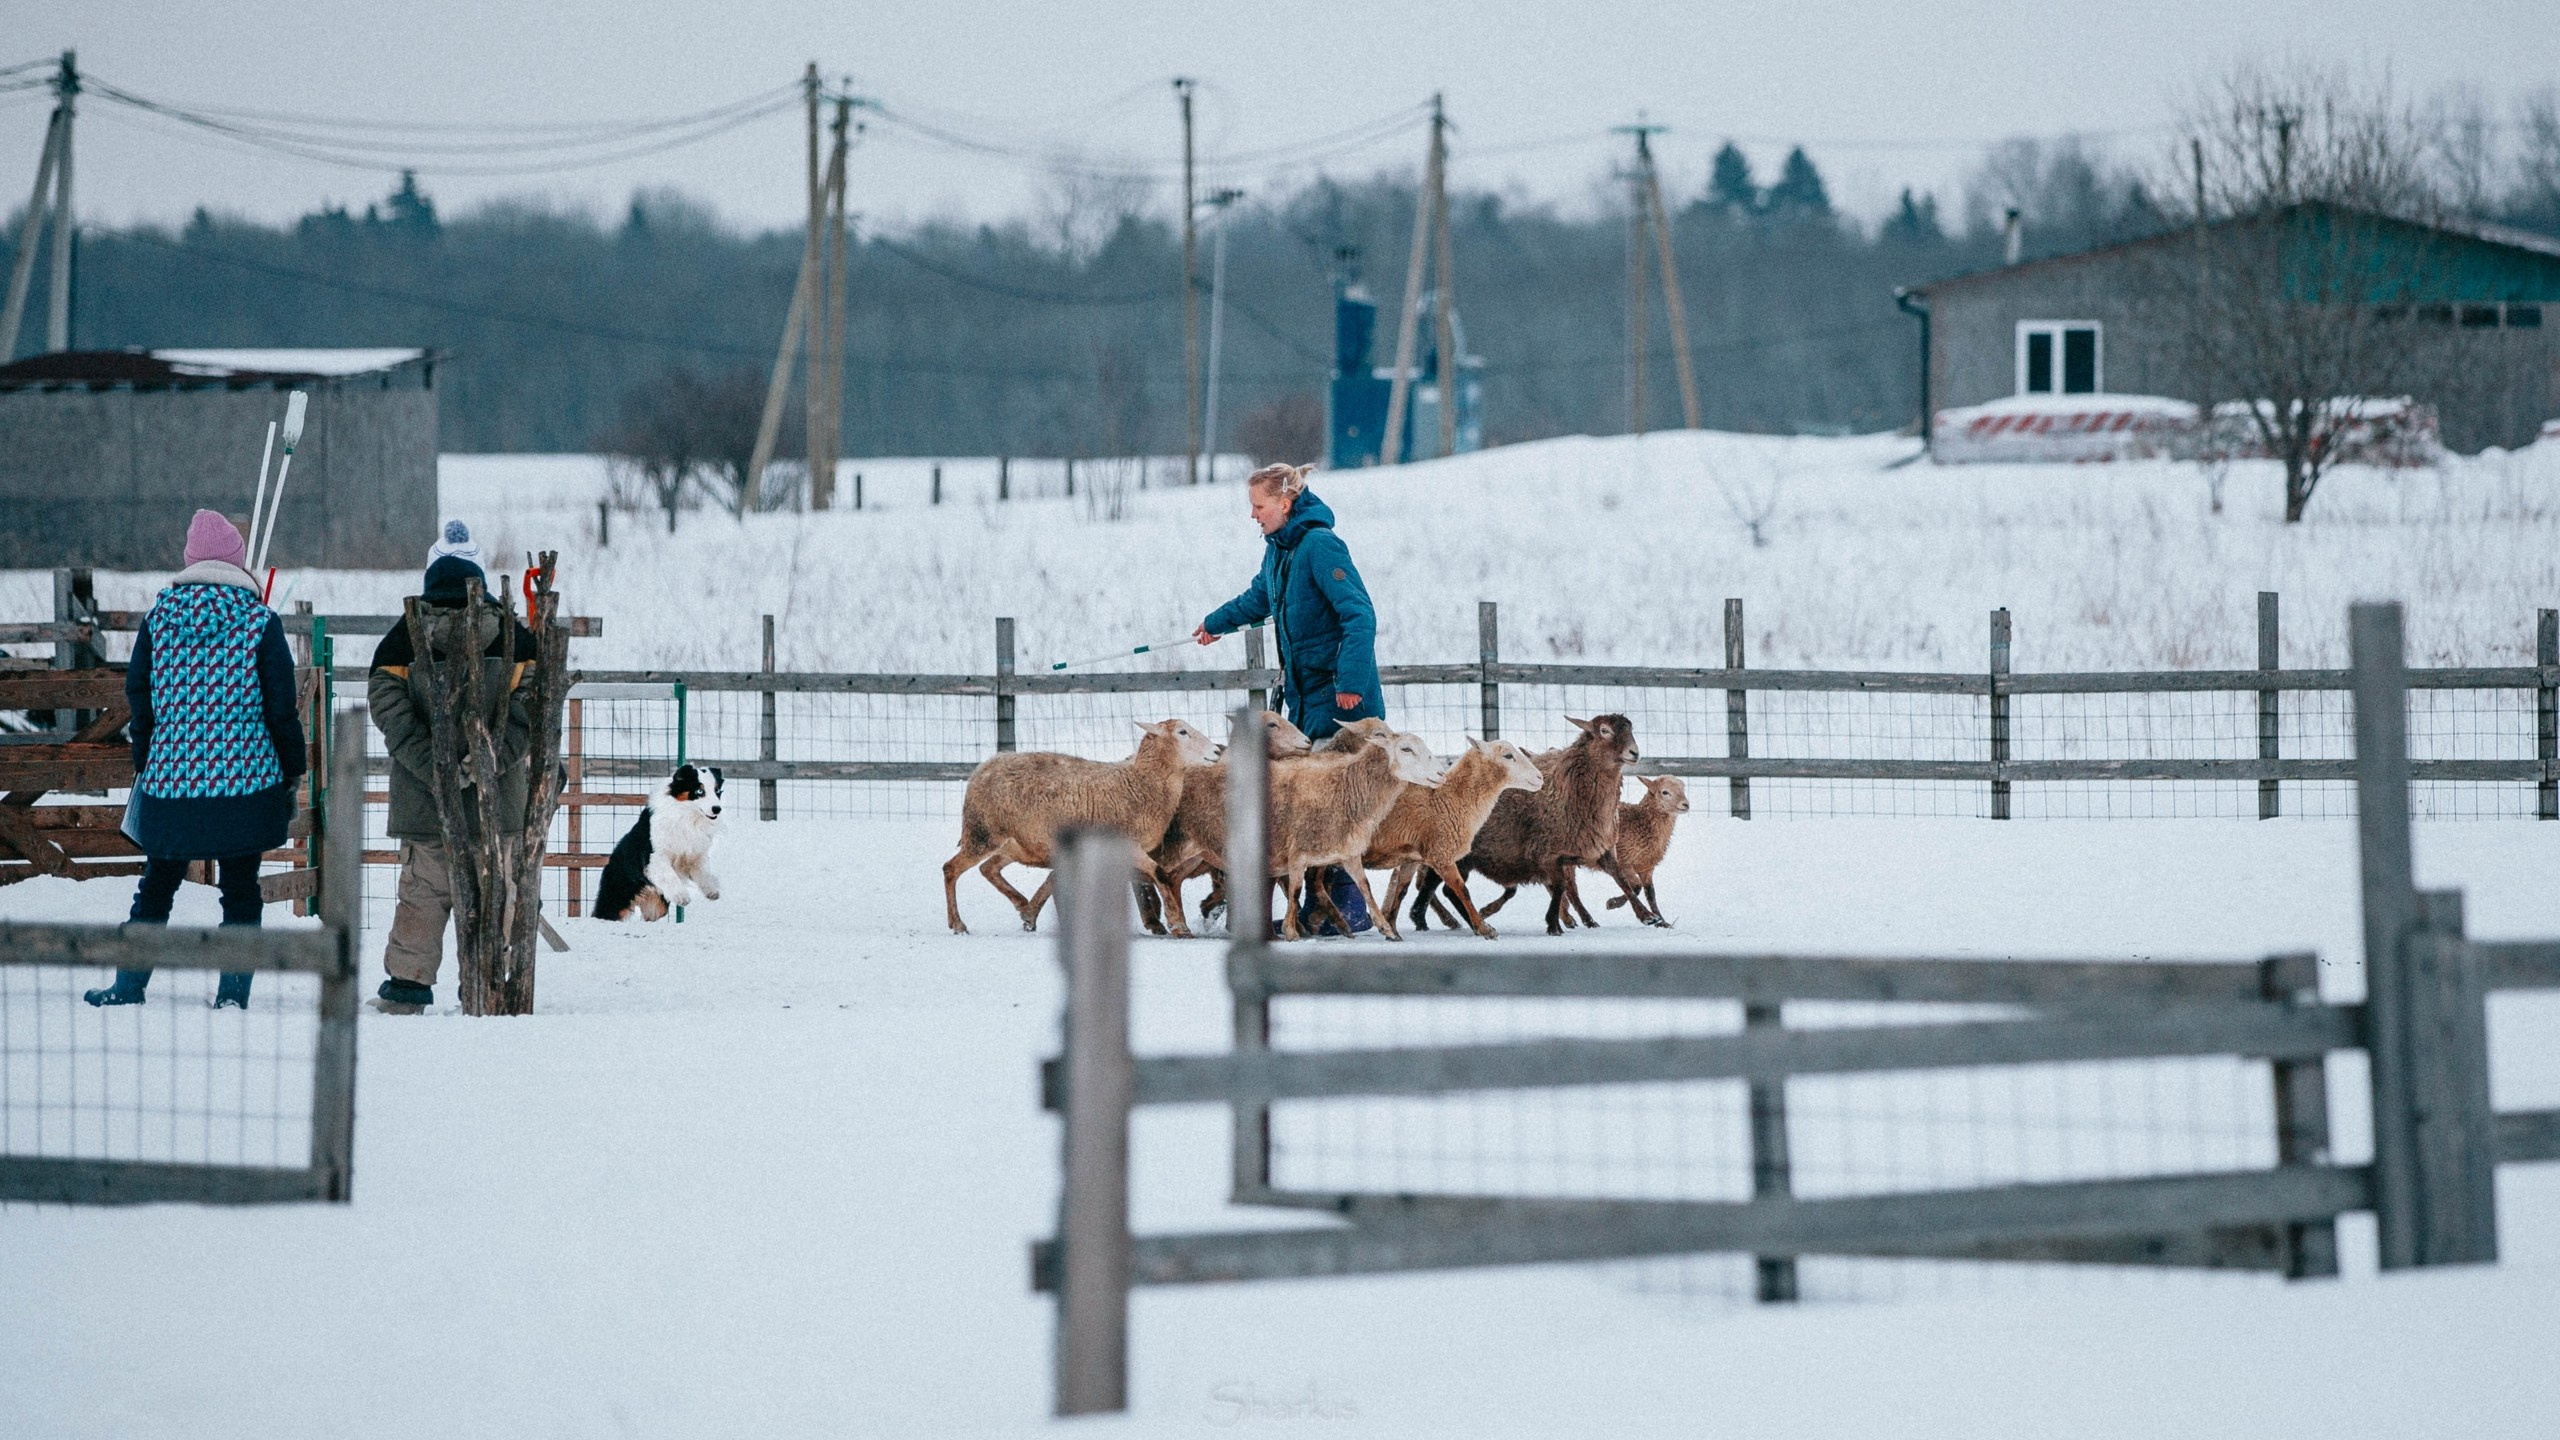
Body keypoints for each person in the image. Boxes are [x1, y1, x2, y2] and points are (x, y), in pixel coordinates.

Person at [85, 511, 305, 1009]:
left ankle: (128, 986)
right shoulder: (259, 622)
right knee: (241, 891)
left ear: (189, 562)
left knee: (156, 886)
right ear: (237, 563)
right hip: (245, 782)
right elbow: (281, 708)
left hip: (171, 782)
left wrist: (148, 759)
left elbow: (139, 697)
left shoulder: (158, 620)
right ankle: (232, 996)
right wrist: (292, 768)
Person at [1195, 462, 1385, 933]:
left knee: (1336, 806)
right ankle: (1316, 909)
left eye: (1259, 506)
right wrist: (1216, 623)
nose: (1253, 515)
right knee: (1312, 805)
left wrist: (1350, 683)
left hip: (1343, 703)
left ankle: (1348, 909)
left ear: (1284, 503)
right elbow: (1259, 599)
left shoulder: (1320, 546)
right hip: (1305, 699)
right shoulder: (1279, 552)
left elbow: (1359, 615)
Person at [365, 553, 539, 1013]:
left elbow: (388, 707)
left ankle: (407, 987)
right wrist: (487, 763)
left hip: (424, 802)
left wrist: (435, 765)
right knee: (495, 893)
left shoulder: (406, 634)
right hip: (497, 804)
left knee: (423, 895)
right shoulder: (513, 635)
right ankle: (485, 985)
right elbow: (530, 710)